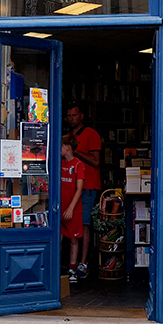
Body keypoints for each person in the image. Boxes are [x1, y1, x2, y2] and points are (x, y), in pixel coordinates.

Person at [65, 103, 101, 278]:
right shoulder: (67, 135)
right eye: (69, 116)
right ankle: (70, 262)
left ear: (82, 116)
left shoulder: (91, 134)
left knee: (84, 223)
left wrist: (75, 151)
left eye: (74, 115)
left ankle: (83, 263)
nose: (71, 118)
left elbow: (95, 161)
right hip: (69, 186)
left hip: (88, 186)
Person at [61, 133, 86, 284]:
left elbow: (79, 188)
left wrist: (70, 208)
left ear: (68, 147)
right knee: (59, 238)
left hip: (73, 209)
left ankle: (72, 269)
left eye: (62, 146)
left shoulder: (78, 165)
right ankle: (55, 267)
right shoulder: (60, 163)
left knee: (73, 240)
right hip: (60, 207)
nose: (60, 149)